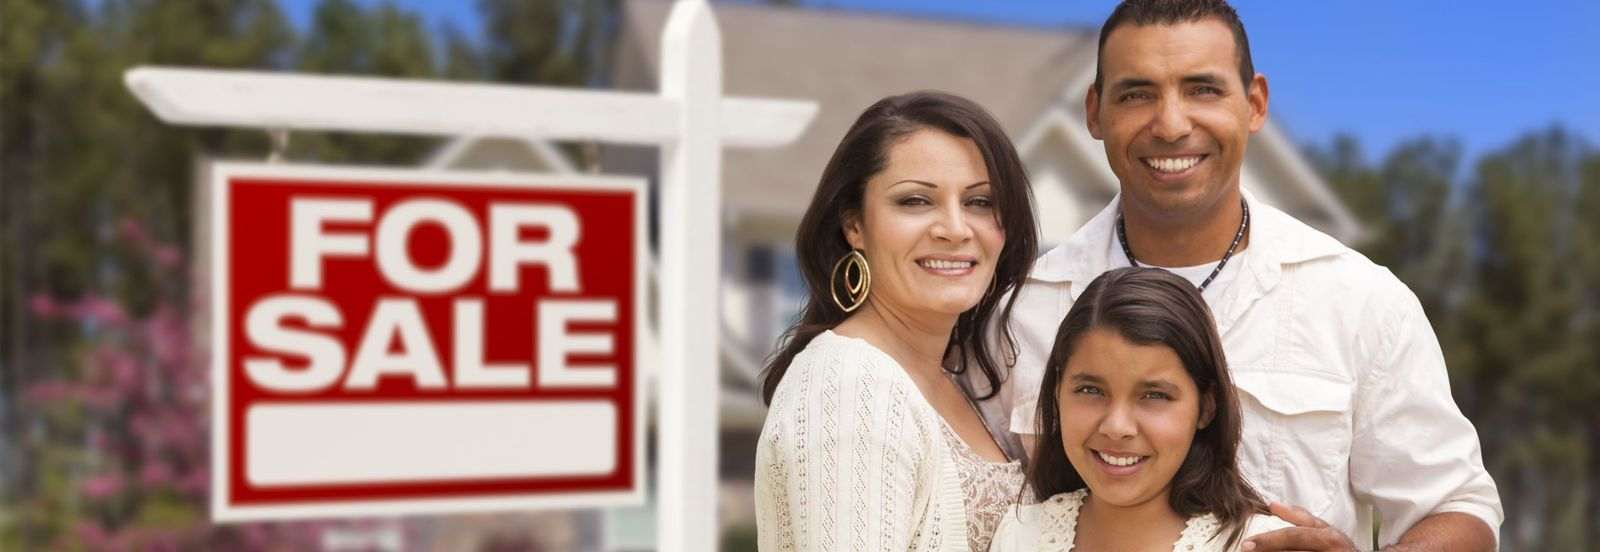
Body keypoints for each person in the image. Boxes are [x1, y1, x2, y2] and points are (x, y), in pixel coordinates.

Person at [1000, 1, 1503, 550]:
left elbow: (1458, 506)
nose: (1171, 125)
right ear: (1095, 112)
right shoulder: (1019, 312)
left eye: (1203, 90)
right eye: (1137, 94)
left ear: (1255, 103)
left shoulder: (1360, 301)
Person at [753, 91, 1038, 551]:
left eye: (980, 202)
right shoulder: (851, 385)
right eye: (915, 201)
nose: (955, 229)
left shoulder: (951, 379)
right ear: (854, 225)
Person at [991, 267, 1290, 551]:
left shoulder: (1262, 544)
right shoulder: (1019, 535)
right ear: (1057, 393)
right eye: (1091, 390)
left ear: (1206, 408)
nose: (1117, 427)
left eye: (1154, 396)